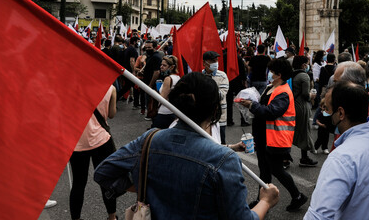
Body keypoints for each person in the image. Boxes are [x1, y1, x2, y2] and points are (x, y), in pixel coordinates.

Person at [94, 72, 280, 219]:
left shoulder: (150, 139)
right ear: (215, 109)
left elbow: (103, 172)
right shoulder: (224, 159)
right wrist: (265, 201)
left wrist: (142, 185)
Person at [304, 81, 369, 219]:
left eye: (327, 109)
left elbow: (318, 216)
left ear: (340, 113)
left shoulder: (342, 158)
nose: (324, 114)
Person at [240, 58, 308, 212]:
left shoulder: (283, 92)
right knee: (264, 169)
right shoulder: (271, 87)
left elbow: (271, 112)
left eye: (271, 71)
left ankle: (297, 196)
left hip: (275, 138)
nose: (269, 74)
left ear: (278, 74)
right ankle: (261, 200)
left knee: (276, 170)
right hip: (264, 135)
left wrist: (252, 105)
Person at [69, 85, 117, 220]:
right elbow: (111, 114)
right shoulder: (110, 88)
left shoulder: (71, 89)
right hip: (101, 140)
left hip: (77, 143)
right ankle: (112, 217)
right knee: (106, 181)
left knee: (78, 183)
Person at [291, 55, 318, 167]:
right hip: (301, 106)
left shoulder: (292, 74)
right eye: (306, 63)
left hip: (292, 105)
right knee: (304, 130)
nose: (307, 66)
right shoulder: (304, 76)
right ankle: (304, 157)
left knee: (292, 130)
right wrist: (312, 96)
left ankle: (285, 157)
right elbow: (305, 94)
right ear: (303, 65)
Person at [202, 51, 229, 144]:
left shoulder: (222, 76)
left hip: (219, 117)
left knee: (220, 144)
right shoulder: (200, 76)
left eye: (216, 60)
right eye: (212, 61)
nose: (215, 63)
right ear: (204, 63)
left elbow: (221, 95)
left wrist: (208, 87)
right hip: (203, 118)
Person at [152, 55, 180, 129]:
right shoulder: (177, 77)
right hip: (173, 112)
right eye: (161, 64)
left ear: (171, 67)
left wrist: (153, 92)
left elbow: (162, 98)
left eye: (164, 65)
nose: (161, 67)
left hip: (164, 112)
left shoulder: (168, 79)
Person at [142, 39, 163, 120]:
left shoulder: (156, 57)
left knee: (152, 101)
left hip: (152, 84)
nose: (147, 49)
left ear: (154, 47)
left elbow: (156, 72)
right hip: (147, 81)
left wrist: (150, 84)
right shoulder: (150, 56)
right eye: (146, 47)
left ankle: (152, 115)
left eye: (149, 47)